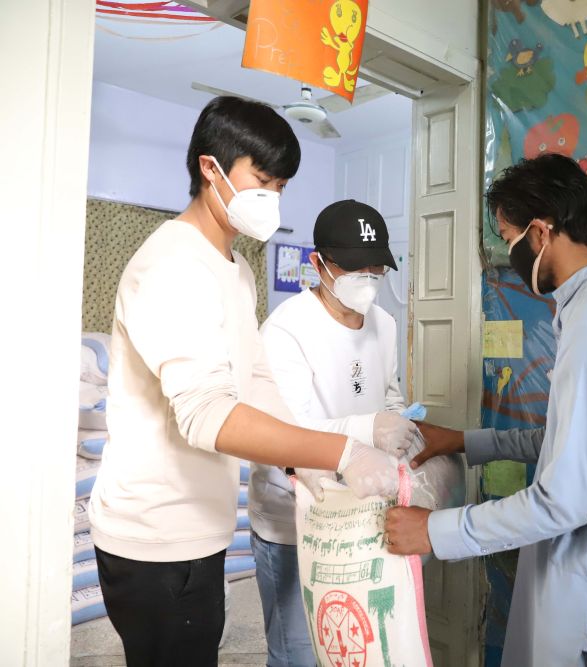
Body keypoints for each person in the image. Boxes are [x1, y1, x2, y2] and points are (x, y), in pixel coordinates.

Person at [88, 97, 399, 667]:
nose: (273, 198)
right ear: (211, 169)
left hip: (199, 528)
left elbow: (254, 380)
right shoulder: (173, 265)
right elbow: (207, 413)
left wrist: (305, 461)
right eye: (263, 180)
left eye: (281, 186)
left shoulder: (235, 267)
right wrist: (341, 451)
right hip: (156, 535)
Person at [384, 153, 587, 666]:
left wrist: (433, 529)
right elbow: (569, 444)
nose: (509, 254)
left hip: (585, 604)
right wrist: (466, 441)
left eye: (508, 238)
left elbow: (563, 502)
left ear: (540, 233)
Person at [249, 199, 419, 666]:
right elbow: (284, 433)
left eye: (374, 268)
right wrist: (368, 428)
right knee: (301, 653)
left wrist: (399, 426)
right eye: (353, 268)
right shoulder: (286, 330)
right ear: (318, 263)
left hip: (365, 514)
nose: (367, 278)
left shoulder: (384, 324)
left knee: (358, 646)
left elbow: (389, 397)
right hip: (295, 520)